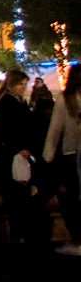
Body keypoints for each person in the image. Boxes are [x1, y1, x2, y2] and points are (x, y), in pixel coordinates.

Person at [0, 70, 49, 244]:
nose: (23, 87)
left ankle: (21, 235)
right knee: (17, 200)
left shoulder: (16, 101)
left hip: (19, 156)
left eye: (24, 84)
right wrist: (19, 148)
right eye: (20, 84)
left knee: (20, 200)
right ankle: (19, 236)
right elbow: (9, 130)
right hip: (13, 157)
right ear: (12, 85)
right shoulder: (7, 103)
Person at [43, 63, 81, 255]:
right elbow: (55, 131)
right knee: (72, 200)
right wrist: (48, 156)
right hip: (71, 158)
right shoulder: (65, 102)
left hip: (70, 156)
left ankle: (77, 239)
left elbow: (54, 132)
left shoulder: (65, 101)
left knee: (72, 201)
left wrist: (47, 157)